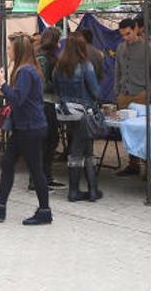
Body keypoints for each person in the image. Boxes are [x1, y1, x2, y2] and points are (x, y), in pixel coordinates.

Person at [0, 32, 52, 226]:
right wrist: (3, 91)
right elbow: (20, 96)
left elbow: (18, 99)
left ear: (18, 50)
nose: (8, 51)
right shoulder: (27, 69)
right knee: (8, 165)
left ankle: (45, 211)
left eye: (10, 48)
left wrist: (1, 81)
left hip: (30, 127)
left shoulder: (26, 71)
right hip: (25, 126)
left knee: (35, 170)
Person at [53, 33, 103, 202]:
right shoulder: (85, 65)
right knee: (77, 151)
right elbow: (96, 91)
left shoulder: (59, 66)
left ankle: (93, 189)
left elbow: (56, 91)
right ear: (82, 48)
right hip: (83, 113)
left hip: (66, 113)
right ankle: (74, 191)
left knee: (86, 149)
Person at [114, 18, 151, 177]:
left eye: (128, 33)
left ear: (136, 29)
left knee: (142, 132)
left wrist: (148, 91)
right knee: (127, 132)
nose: (126, 38)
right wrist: (117, 92)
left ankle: (147, 167)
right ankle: (132, 164)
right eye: (123, 35)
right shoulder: (120, 48)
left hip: (141, 95)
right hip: (124, 95)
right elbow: (118, 71)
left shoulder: (148, 48)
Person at [36, 27, 64, 189]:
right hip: (45, 104)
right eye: (59, 40)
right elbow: (42, 83)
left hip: (49, 103)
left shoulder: (48, 57)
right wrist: (58, 85)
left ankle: (46, 177)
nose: (60, 44)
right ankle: (39, 180)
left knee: (51, 141)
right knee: (47, 142)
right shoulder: (43, 59)